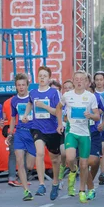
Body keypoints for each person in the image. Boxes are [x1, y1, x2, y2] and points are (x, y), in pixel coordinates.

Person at [56, 71, 100, 203]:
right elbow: (58, 108)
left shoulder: (91, 96)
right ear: (73, 81)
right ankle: (73, 172)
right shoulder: (67, 95)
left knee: (84, 164)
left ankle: (83, 190)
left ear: (86, 82)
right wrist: (59, 123)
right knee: (70, 158)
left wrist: (91, 115)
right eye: (77, 79)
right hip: (71, 132)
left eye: (82, 79)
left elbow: (97, 116)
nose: (79, 81)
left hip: (85, 134)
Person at [22, 66, 62, 198]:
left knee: (55, 160)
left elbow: (57, 112)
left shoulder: (54, 93)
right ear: (37, 78)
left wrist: (44, 106)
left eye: (45, 76)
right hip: (37, 127)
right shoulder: (33, 92)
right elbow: (29, 103)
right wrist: (26, 115)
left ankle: (55, 182)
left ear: (49, 78)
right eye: (40, 76)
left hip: (52, 129)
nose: (42, 78)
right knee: (39, 152)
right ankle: (41, 184)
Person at [7, 74, 36, 201]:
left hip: (32, 133)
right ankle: (26, 191)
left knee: (29, 165)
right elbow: (13, 118)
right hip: (19, 132)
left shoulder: (32, 97)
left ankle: (28, 175)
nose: (21, 87)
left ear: (27, 85)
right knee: (19, 161)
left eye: (23, 85)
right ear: (16, 87)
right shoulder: (14, 100)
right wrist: (10, 133)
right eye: (19, 85)